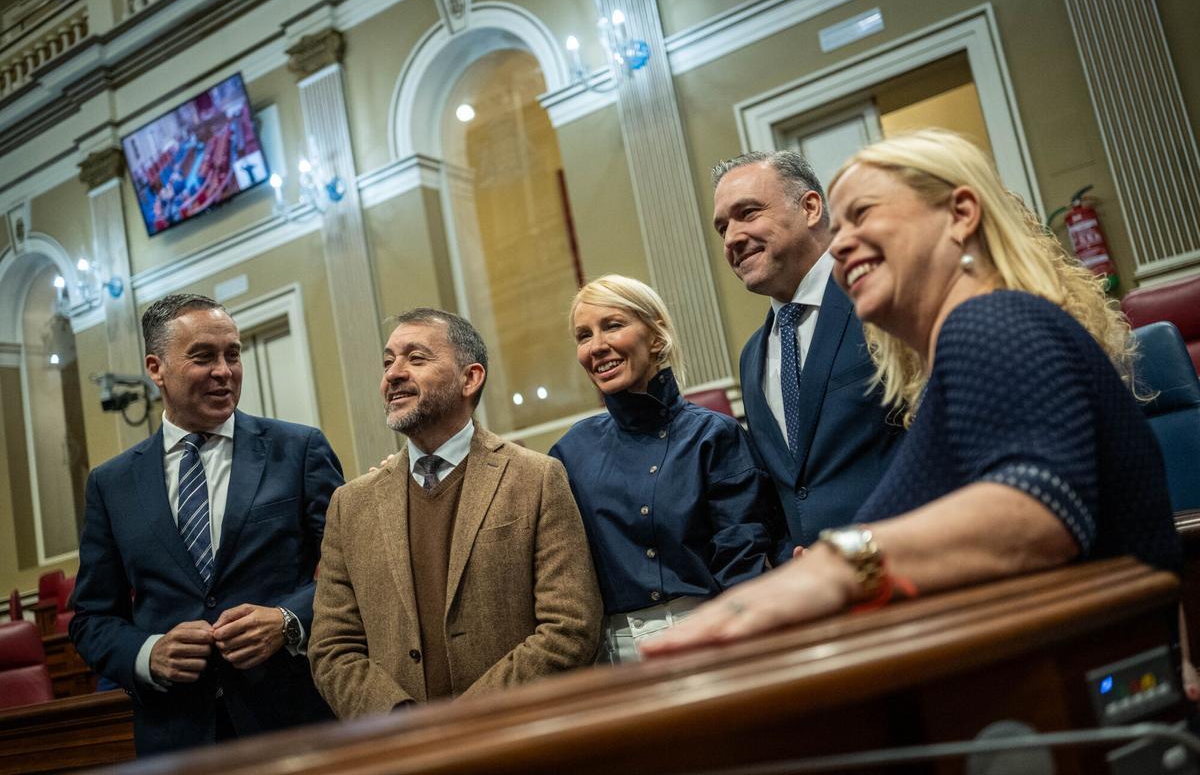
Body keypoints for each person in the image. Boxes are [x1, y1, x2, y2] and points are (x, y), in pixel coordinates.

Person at [643, 129, 1181, 656]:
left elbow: (1041, 509)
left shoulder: (994, 320)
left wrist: (837, 567)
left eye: (864, 214)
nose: (843, 239)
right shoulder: (963, 344)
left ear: (961, 215)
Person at [70, 294, 343, 756]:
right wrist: (148, 653)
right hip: (178, 735)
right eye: (203, 356)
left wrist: (288, 620)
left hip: (291, 722)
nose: (224, 371)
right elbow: (92, 618)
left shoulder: (298, 450)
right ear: (156, 368)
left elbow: (353, 571)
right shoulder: (111, 484)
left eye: (233, 354)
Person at [308, 308, 602, 718]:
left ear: (471, 378)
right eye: (388, 361)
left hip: (519, 740)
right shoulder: (350, 505)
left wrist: (466, 720)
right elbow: (331, 647)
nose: (393, 373)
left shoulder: (536, 478)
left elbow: (570, 627)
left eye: (416, 357)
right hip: (404, 752)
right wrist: (399, 719)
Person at [549, 275, 777, 662]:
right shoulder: (570, 451)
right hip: (609, 658)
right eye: (583, 336)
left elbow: (744, 560)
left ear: (656, 336)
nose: (597, 347)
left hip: (713, 639)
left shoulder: (713, 434)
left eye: (613, 325)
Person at [711, 151, 902, 556]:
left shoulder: (878, 299)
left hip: (913, 569)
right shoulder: (752, 358)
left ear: (810, 207)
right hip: (823, 597)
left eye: (747, 213)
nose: (731, 238)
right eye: (722, 227)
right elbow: (788, 489)